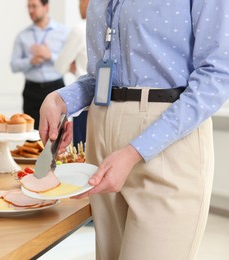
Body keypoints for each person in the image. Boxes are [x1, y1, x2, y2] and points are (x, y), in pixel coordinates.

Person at [39, 1, 229, 259]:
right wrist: (61, 99)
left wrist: (134, 151)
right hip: (102, 140)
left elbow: (216, 75)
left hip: (167, 142)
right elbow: (102, 78)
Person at [10, 0, 68, 130]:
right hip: (31, 91)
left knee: (57, 134)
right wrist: (30, 61)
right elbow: (13, 65)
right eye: (28, 7)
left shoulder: (63, 32)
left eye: (34, 6)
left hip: (56, 89)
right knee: (31, 136)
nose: (30, 10)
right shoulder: (22, 36)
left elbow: (70, 63)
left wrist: (50, 56)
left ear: (46, 7)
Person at [54, 0, 89, 147]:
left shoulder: (80, 30)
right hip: (109, 104)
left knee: (82, 155)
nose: (78, 6)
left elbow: (60, 66)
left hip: (85, 100)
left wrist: (72, 67)